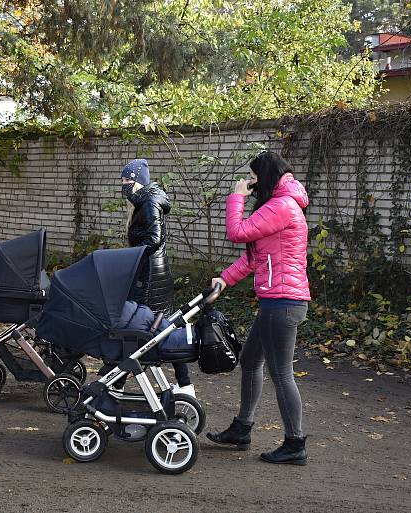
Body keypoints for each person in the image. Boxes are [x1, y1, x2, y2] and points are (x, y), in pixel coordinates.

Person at [205, 151, 311, 466]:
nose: (249, 184)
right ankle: (242, 428)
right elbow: (254, 258)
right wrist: (224, 280)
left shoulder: (282, 206)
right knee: (250, 360)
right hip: (275, 300)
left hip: (283, 303)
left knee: (281, 373)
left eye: (252, 178)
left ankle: (295, 443)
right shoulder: (277, 205)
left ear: (264, 176)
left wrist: (236, 198)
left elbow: (237, 232)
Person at [120, 158, 194, 397]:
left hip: (150, 279)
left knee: (141, 329)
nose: (123, 184)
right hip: (152, 274)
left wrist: (131, 255)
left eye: (127, 180)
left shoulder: (149, 203)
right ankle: (185, 385)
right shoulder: (142, 202)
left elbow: (154, 239)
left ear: (138, 181)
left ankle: (116, 382)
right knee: (162, 328)